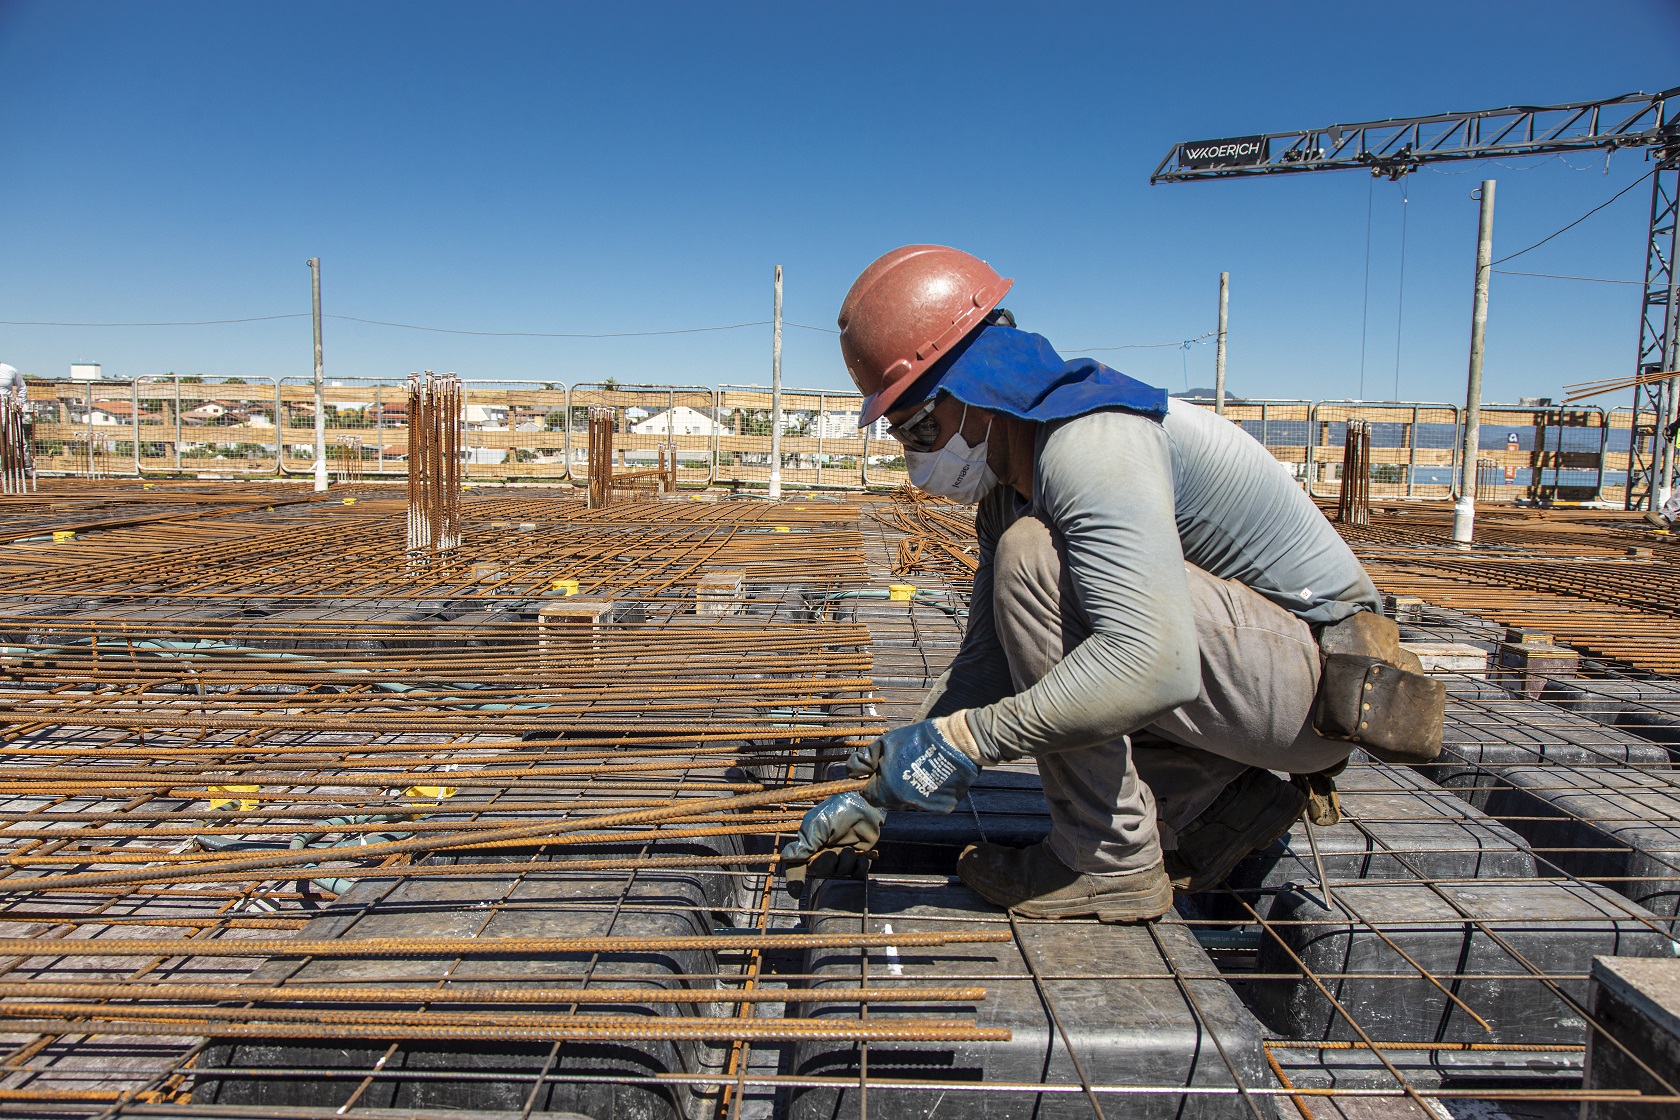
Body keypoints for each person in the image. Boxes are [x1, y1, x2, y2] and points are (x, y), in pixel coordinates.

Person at [783, 245, 1438, 922]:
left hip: (1319, 688)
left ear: (978, 390)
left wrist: (966, 744)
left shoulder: (1092, 444)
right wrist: (884, 786)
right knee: (1041, 618)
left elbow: (1153, 664)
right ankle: (1213, 803)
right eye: (904, 434)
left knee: (1036, 560)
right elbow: (985, 667)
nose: (918, 456)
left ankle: (1108, 860)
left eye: (923, 427)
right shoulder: (1010, 489)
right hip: (1250, 678)